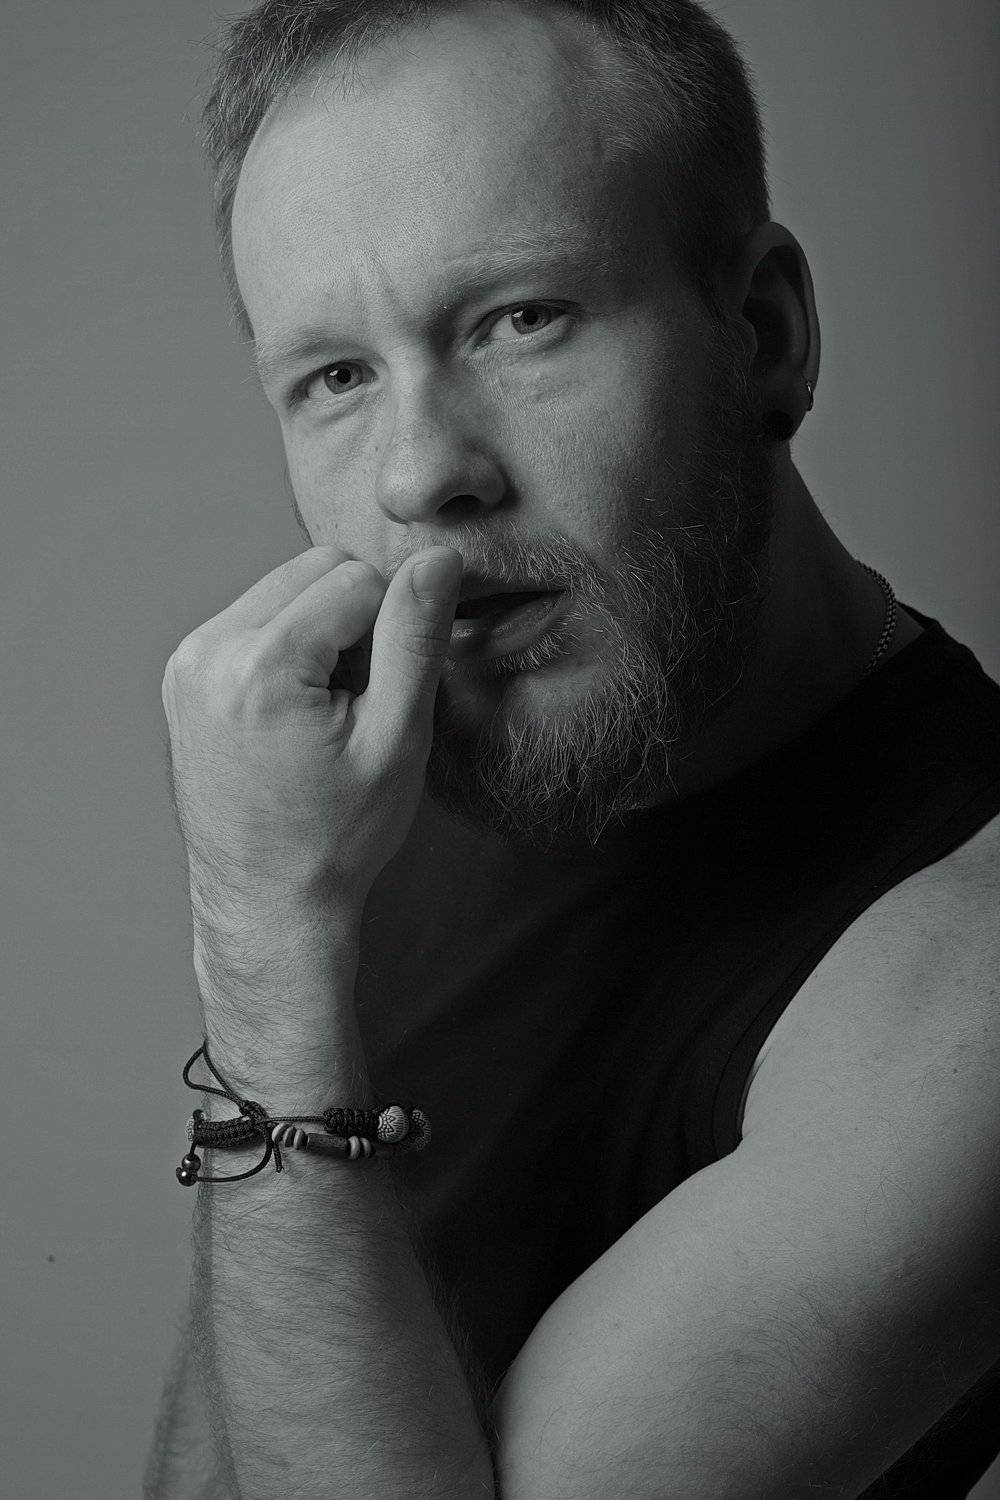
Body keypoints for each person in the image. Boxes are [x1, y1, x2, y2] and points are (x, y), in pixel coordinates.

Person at [145, 1, 1000, 1496]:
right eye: (335, 377)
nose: (422, 476)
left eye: (520, 319)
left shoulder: (964, 986)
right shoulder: (382, 778)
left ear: (763, 333)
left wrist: (261, 944)